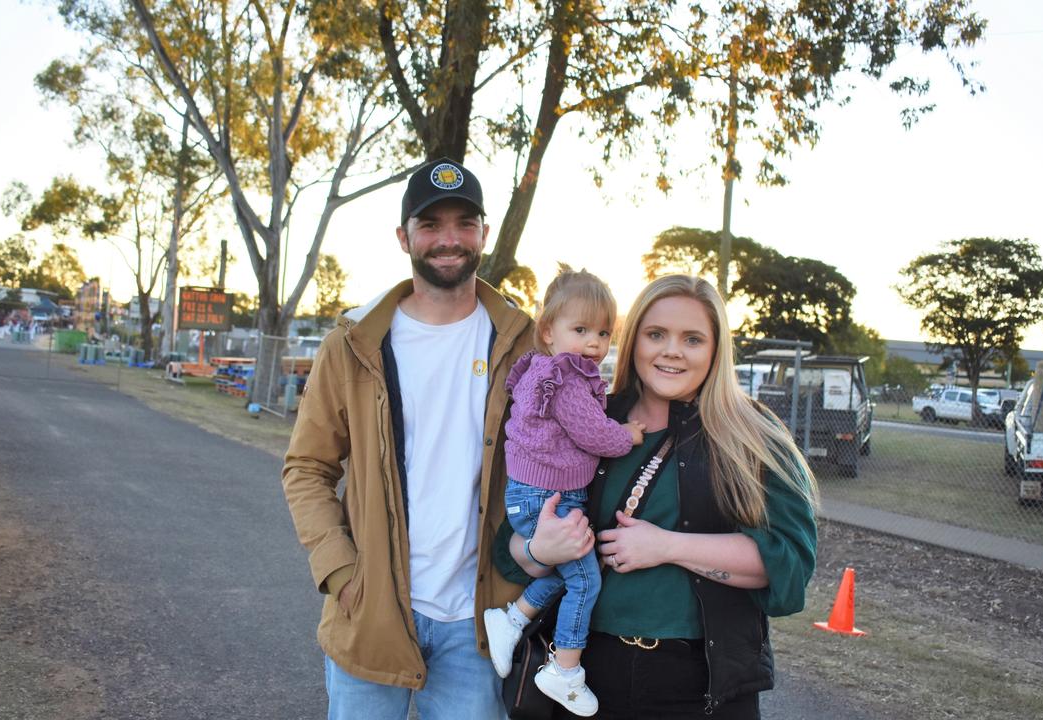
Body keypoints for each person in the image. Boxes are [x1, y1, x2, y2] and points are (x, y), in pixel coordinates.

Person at [498, 274, 819, 719]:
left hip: (701, 686)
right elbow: (510, 548)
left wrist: (667, 546)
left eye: (692, 338)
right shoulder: (587, 420)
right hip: (584, 679)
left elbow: (790, 564)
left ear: (715, 349)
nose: (671, 350)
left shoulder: (754, 436)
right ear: (633, 342)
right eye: (655, 335)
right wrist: (539, 548)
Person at [281, 157, 535, 720]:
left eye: (464, 223)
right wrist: (342, 570)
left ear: (484, 234)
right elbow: (307, 467)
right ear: (404, 237)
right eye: (431, 224)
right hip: (372, 612)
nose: (449, 239)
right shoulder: (351, 345)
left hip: (478, 625)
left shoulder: (525, 345)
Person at [483, 269, 644, 717]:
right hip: (545, 496)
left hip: (537, 492)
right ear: (548, 331)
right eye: (581, 330)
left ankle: (511, 619)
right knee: (587, 580)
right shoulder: (567, 379)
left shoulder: (549, 370)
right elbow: (594, 433)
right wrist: (627, 435)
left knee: (569, 573)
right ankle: (565, 669)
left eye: (603, 332)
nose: (594, 342)